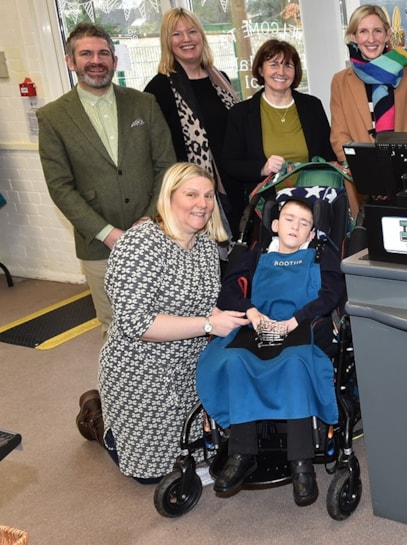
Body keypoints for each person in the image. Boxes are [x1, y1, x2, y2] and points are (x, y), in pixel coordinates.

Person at [97, 163, 249, 483]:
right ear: (169, 197)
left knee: (204, 451)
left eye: (208, 195)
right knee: (151, 474)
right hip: (141, 369)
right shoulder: (140, 244)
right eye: (191, 194)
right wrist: (209, 325)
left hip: (190, 365)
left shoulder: (205, 245)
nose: (202, 203)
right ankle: (98, 423)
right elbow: (136, 322)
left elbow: (209, 302)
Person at [196, 192, 346, 506]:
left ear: (311, 232)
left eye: (304, 223)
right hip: (257, 327)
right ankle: (242, 453)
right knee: (234, 360)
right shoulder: (254, 255)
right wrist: (251, 311)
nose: (296, 227)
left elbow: (332, 294)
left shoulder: (321, 255)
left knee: (294, 363)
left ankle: (301, 462)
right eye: (289, 219)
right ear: (275, 224)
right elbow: (228, 291)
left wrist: (296, 320)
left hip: (299, 329)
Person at [38, 22, 175, 333]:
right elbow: (60, 187)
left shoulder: (144, 104)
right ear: (70, 61)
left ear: (114, 60)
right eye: (86, 53)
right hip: (99, 245)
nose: (96, 60)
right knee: (116, 325)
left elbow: (166, 165)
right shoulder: (53, 117)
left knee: (165, 315)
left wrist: (150, 219)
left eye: (103, 53)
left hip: (154, 233)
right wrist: (107, 233)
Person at [222, 39, 337, 234]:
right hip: (267, 211)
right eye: (273, 64)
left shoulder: (312, 106)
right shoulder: (241, 113)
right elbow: (229, 163)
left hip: (313, 208)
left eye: (288, 65)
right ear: (260, 70)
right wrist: (262, 168)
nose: (281, 72)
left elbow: (327, 155)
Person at [330, 4, 407, 219]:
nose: (371, 38)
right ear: (353, 37)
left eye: (377, 31)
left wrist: (399, 173)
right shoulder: (340, 81)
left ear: (388, 34)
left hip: (405, 182)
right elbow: (339, 137)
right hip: (361, 183)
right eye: (363, 31)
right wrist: (368, 173)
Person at [144, 8, 240, 234]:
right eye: (176, 34)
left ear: (202, 37)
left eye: (192, 32)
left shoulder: (221, 79)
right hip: (192, 197)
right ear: (167, 42)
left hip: (234, 186)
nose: (186, 39)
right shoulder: (158, 89)